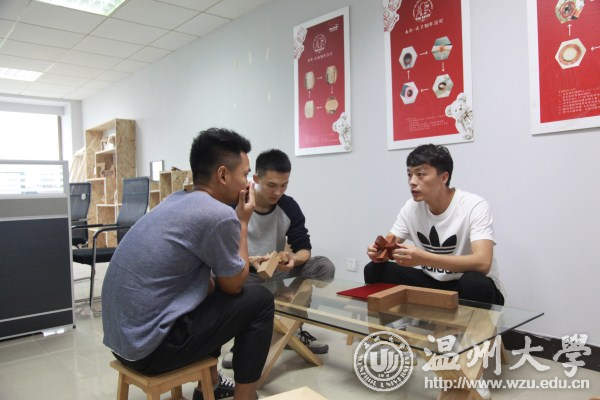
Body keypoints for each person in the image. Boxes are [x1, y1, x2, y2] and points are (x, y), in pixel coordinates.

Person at [101, 128, 274, 400]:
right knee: (260, 299)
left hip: (121, 342)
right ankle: (246, 397)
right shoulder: (219, 214)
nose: (248, 184)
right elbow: (234, 284)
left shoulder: (175, 200)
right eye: (245, 175)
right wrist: (243, 220)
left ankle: (210, 386)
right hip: (150, 350)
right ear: (222, 175)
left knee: (211, 291)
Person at [222, 149, 335, 369]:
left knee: (323, 267)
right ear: (256, 179)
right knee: (229, 279)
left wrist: (293, 259)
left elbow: (304, 247)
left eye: (284, 185)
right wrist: (250, 260)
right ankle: (243, 342)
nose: (278, 192)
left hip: (276, 270)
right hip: (246, 272)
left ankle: (292, 328)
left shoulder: (288, 206)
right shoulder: (235, 204)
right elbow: (223, 253)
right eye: (272, 185)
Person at [364, 144, 505, 306]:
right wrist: (378, 252)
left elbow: (483, 263)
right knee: (374, 270)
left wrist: (424, 259)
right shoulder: (411, 207)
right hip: (432, 282)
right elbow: (389, 244)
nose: (412, 182)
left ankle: (470, 324)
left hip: (464, 284)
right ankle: (394, 322)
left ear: (443, 178)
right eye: (409, 174)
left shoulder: (474, 205)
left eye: (420, 174)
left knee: (475, 282)